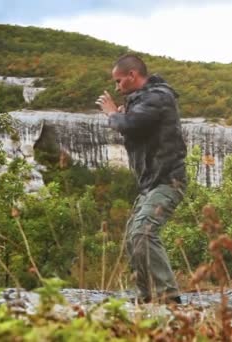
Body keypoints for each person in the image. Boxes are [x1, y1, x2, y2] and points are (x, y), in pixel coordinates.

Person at [96, 54, 187, 304]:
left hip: (168, 181)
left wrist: (113, 113)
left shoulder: (158, 97)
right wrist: (124, 113)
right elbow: (137, 129)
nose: (117, 87)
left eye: (118, 81)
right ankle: (147, 296)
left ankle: (168, 298)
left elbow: (131, 125)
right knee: (132, 237)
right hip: (151, 183)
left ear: (132, 76)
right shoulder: (145, 99)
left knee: (144, 233)